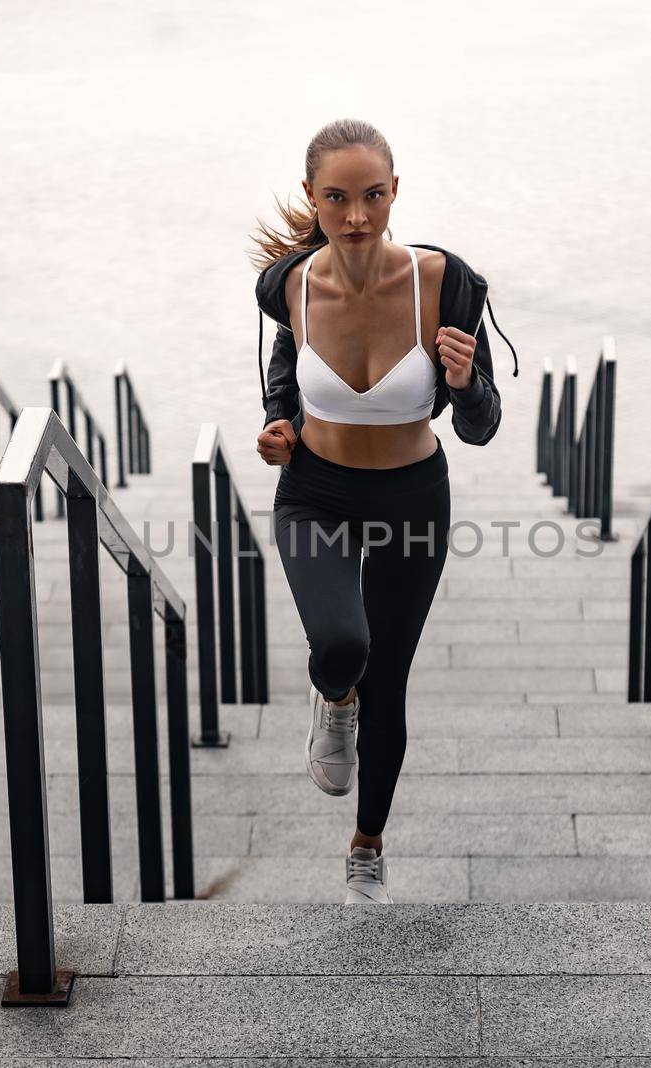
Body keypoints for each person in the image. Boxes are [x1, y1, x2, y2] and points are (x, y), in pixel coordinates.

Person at [248, 118, 517, 904]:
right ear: (313, 198)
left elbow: (480, 427)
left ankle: (367, 845)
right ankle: (335, 700)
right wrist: (279, 427)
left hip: (412, 498)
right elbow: (284, 367)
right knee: (342, 645)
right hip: (316, 493)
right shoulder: (286, 285)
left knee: (390, 679)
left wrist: (467, 385)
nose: (357, 215)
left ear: (395, 190)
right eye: (338, 198)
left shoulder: (448, 284)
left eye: (372, 195)